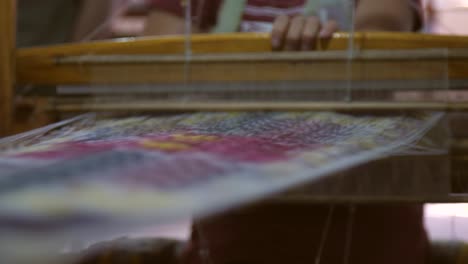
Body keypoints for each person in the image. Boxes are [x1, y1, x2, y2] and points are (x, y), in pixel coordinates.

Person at [140, 1, 428, 264]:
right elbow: (156, 71)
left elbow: (378, 41)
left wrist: (327, 46)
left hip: (369, 239)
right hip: (232, 241)